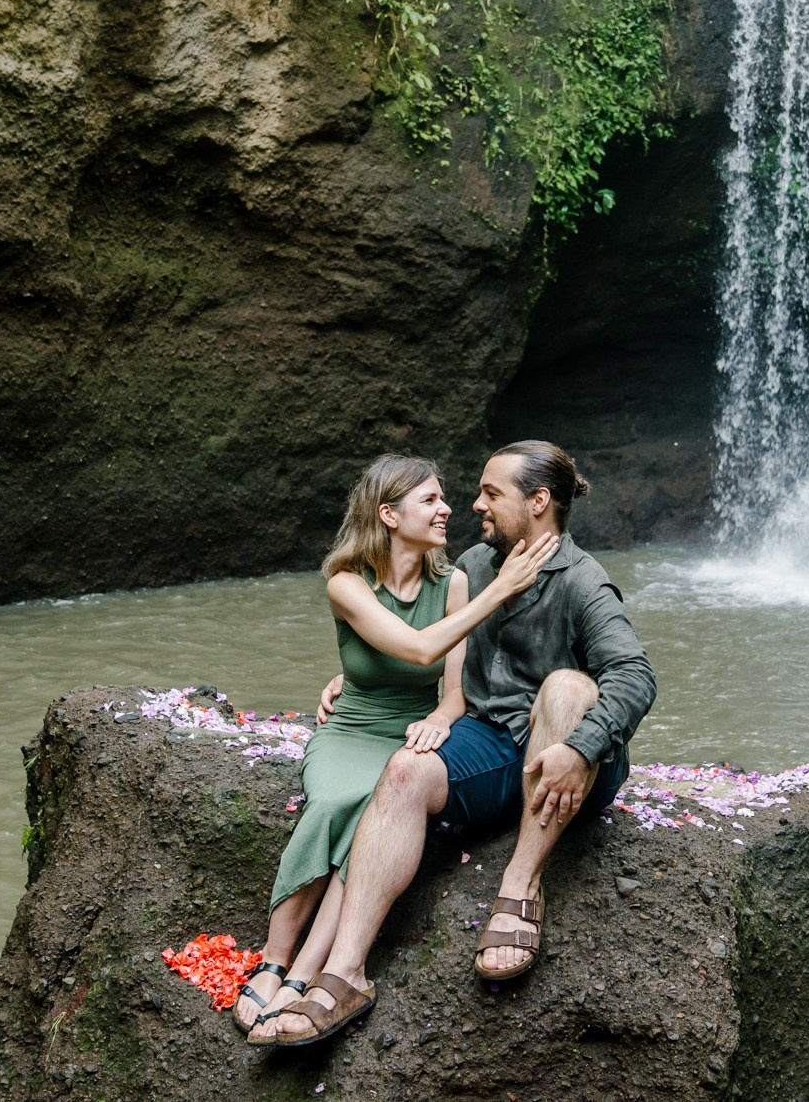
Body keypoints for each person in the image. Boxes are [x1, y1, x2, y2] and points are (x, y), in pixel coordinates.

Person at [257, 439, 654, 1047]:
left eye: (491, 494)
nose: (475, 505)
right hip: (492, 747)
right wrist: (357, 674)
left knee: (568, 689)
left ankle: (520, 887)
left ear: (539, 502)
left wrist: (584, 745)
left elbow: (636, 675)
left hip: (567, 759)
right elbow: (423, 639)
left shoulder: (583, 581)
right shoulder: (476, 563)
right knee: (403, 771)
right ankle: (345, 974)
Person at [232, 453, 557, 1035]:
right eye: (431, 500)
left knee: (372, 821)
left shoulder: (452, 582)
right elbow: (414, 650)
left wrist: (441, 718)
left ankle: (306, 973)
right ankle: (273, 959)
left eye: (443, 497)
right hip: (353, 728)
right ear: (388, 513)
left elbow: (456, 689)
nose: (447, 509)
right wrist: (501, 590)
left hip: (410, 729)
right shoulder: (346, 583)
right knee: (335, 804)